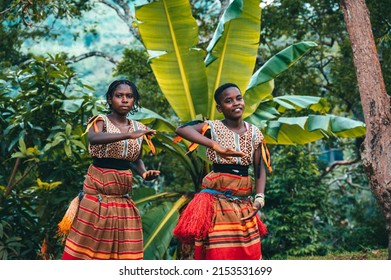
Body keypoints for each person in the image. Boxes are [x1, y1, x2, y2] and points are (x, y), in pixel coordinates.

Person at [59, 79, 160, 260]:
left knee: (123, 250)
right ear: (110, 99)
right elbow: (94, 138)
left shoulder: (139, 128)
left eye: (129, 96)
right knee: (88, 248)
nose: (124, 100)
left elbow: (135, 157)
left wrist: (144, 173)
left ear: (134, 101)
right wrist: (128, 134)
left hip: (121, 197)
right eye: (119, 96)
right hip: (97, 197)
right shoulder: (100, 121)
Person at [173, 83, 272, 260]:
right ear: (220, 108)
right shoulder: (213, 127)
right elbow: (181, 130)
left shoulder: (255, 133)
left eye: (238, 98)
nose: (235, 103)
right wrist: (215, 146)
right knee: (219, 252)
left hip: (243, 202)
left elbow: (259, 168)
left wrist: (259, 198)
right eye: (228, 101)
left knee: (248, 253)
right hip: (217, 200)